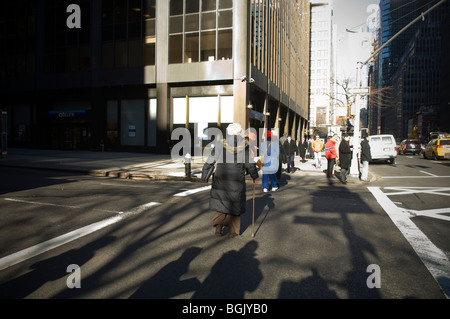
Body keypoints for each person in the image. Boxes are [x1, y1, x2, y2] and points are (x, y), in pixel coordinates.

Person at [201, 123, 259, 238]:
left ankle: (218, 225)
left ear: (228, 132)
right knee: (235, 206)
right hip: (237, 179)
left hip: (221, 178)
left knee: (222, 202)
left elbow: (211, 159)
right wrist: (254, 175)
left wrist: (204, 174)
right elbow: (250, 163)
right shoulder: (245, 145)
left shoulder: (220, 144)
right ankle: (233, 232)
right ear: (239, 132)